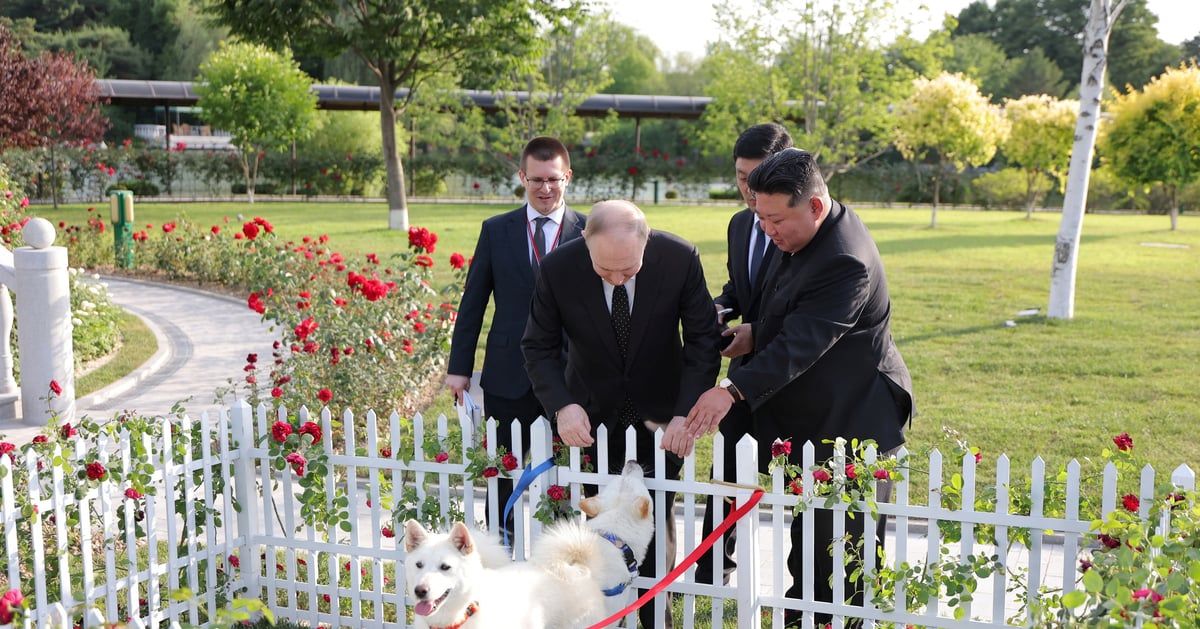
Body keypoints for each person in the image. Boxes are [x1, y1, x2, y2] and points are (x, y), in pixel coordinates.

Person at [685, 149, 914, 627]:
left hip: (853, 421)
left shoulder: (845, 260)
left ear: (813, 205)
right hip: (810, 416)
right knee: (807, 547)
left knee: (838, 561)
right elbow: (785, 311)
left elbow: (803, 343)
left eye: (774, 219)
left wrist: (729, 390)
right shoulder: (799, 234)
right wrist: (752, 333)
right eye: (759, 217)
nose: (766, 230)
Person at [522, 200, 721, 628]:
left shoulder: (680, 258)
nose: (615, 278)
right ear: (585, 244)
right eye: (604, 270)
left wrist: (685, 414)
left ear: (647, 243)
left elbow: (703, 340)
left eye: (627, 271)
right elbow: (537, 346)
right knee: (598, 533)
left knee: (655, 525)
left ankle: (654, 618)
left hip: (663, 421)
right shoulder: (558, 268)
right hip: (592, 421)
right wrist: (562, 405)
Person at [445, 136, 587, 541]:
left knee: (564, 471)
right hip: (508, 375)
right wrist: (459, 369)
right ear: (522, 177)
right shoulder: (496, 231)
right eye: (537, 179)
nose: (545, 188)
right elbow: (473, 302)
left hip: (568, 375)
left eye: (554, 180)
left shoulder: (589, 229)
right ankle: (501, 548)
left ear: (568, 177)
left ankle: (560, 551)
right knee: (500, 472)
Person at [696, 122, 793, 587]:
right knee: (725, 476)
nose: (750, 191)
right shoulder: (738, 224)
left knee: (799, 485)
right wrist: (721, 307)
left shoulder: (798, 227)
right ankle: (715, 571)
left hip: (795, 373)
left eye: (759, 177)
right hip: (742, 371)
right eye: (740, 177)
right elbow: (742, 287)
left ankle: (802, 585)